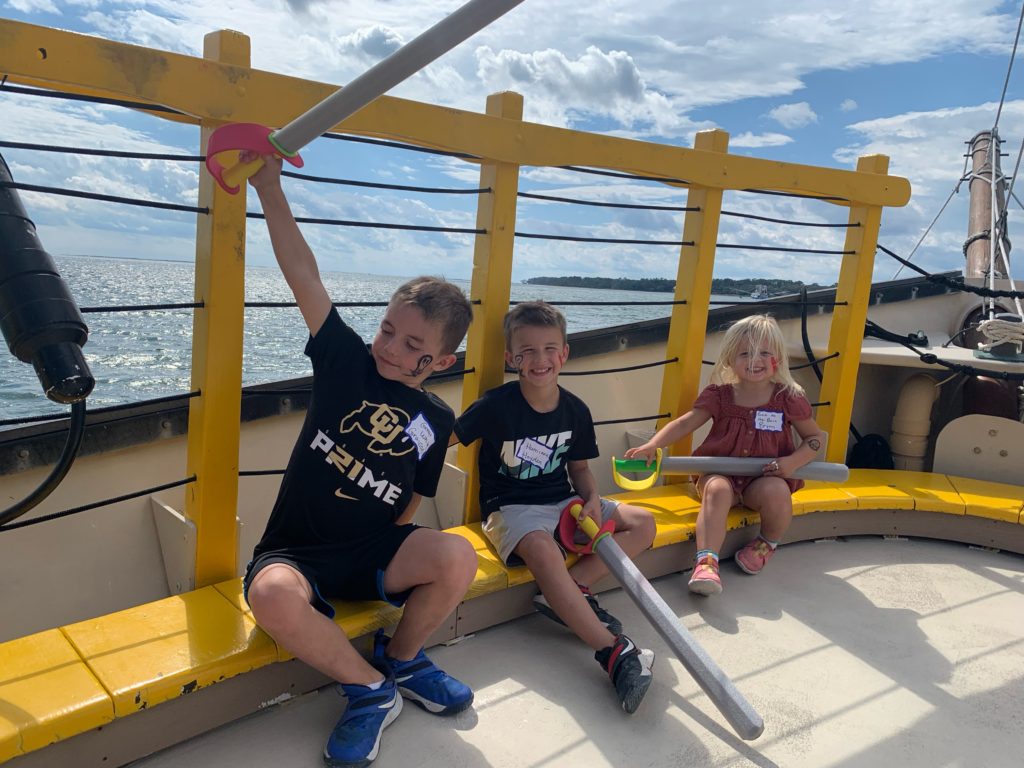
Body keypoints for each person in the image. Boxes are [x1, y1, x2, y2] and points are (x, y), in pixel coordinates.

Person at [241, 152, 478, 768]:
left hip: (371, 550)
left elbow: (414, 498)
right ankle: (370, 690)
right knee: (268, 595)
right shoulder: (345, 362)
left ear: (442, 361)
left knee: (456, 553)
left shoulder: (436, 421)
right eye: (387, 330)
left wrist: (395, 561)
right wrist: (268, 183)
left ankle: (401, 656)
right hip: (296, 552)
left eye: (414, 345)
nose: (391, 348)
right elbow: (303, 274)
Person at [453, 300, 657, 714]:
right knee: (543, 551)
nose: (539, 359)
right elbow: (449, 437)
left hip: (564, 500)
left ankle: (573, 590)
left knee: (644, 522)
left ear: (564, 354)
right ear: (512, 358)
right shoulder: (496, 406)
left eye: (549, 348)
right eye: (526, 351)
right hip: (510, 507)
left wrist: (593, 499)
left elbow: (580, 468)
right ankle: (612, 652)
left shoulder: (575, 410)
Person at [624, 314, 824, 597]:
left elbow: (815, 438)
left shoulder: (789, 397)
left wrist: (792, 462)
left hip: (763, 480)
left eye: (764, 353)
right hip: (719, 475)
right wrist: (653, 445)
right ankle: (706, 562)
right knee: (716, 489)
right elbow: (685, 423)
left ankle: (766, 544)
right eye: (745, 353)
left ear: (778, 357)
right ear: (730, 359)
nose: (755, 360)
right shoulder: (719, 395)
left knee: (778, 491)